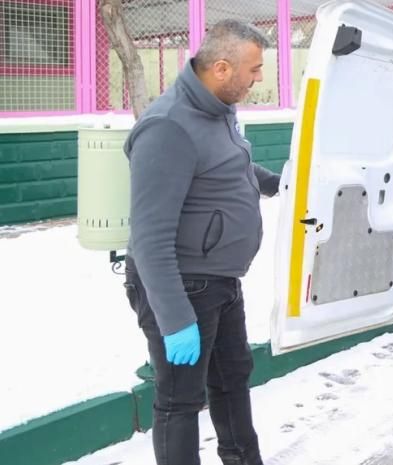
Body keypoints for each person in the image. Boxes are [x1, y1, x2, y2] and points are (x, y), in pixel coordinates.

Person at [122, 19, 279, 465]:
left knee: (232, 380)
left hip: (221, 281)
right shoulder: (167, 127)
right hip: (181, 284)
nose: (259, 78)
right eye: (254, 69)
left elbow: (233, 169)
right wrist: (174, 320)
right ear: (223, 68)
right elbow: (150, 238)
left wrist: (283, 183)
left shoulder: (218, 109)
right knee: (180, 401)